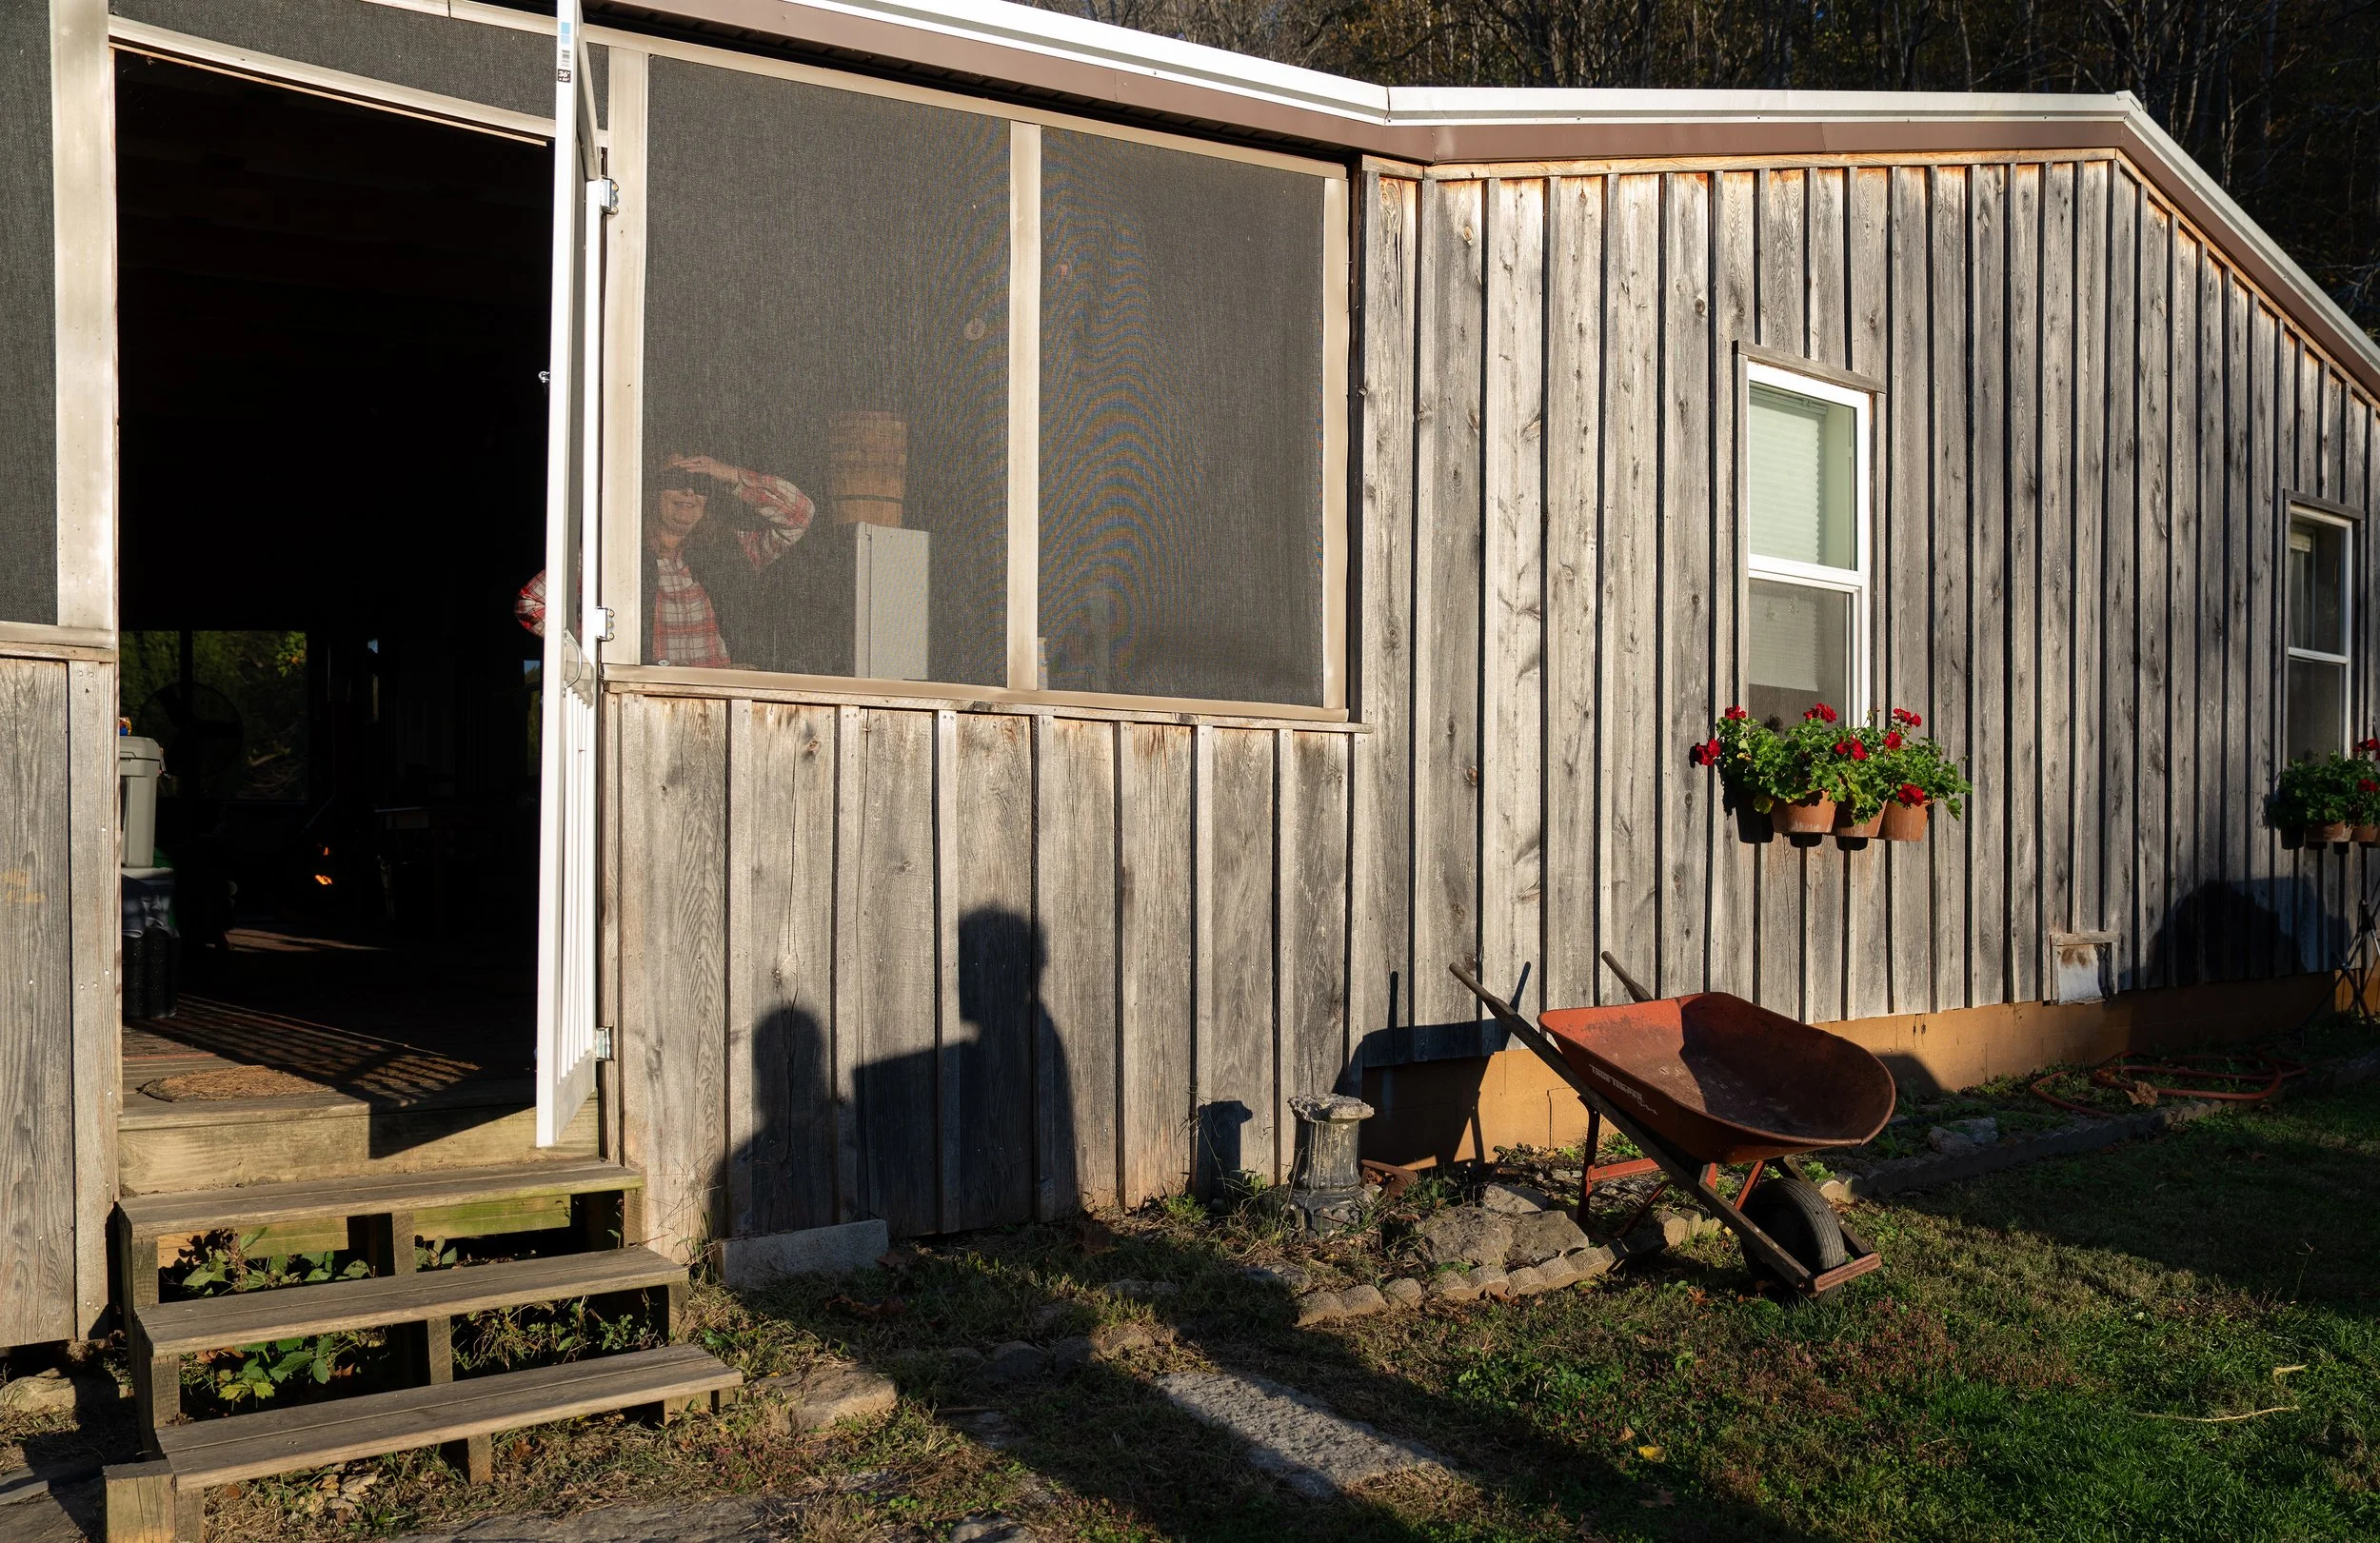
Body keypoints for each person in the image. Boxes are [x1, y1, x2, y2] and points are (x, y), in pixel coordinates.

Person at [516, 452, 815, 667]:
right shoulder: (615, 552)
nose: (689, 492)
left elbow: (799, 516)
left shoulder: (734, 549)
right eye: (676, 480)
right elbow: (532, 603)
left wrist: (730, 475)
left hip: (725, 699)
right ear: (651, 491)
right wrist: (600, 645)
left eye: (701, 485)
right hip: (647, 701)